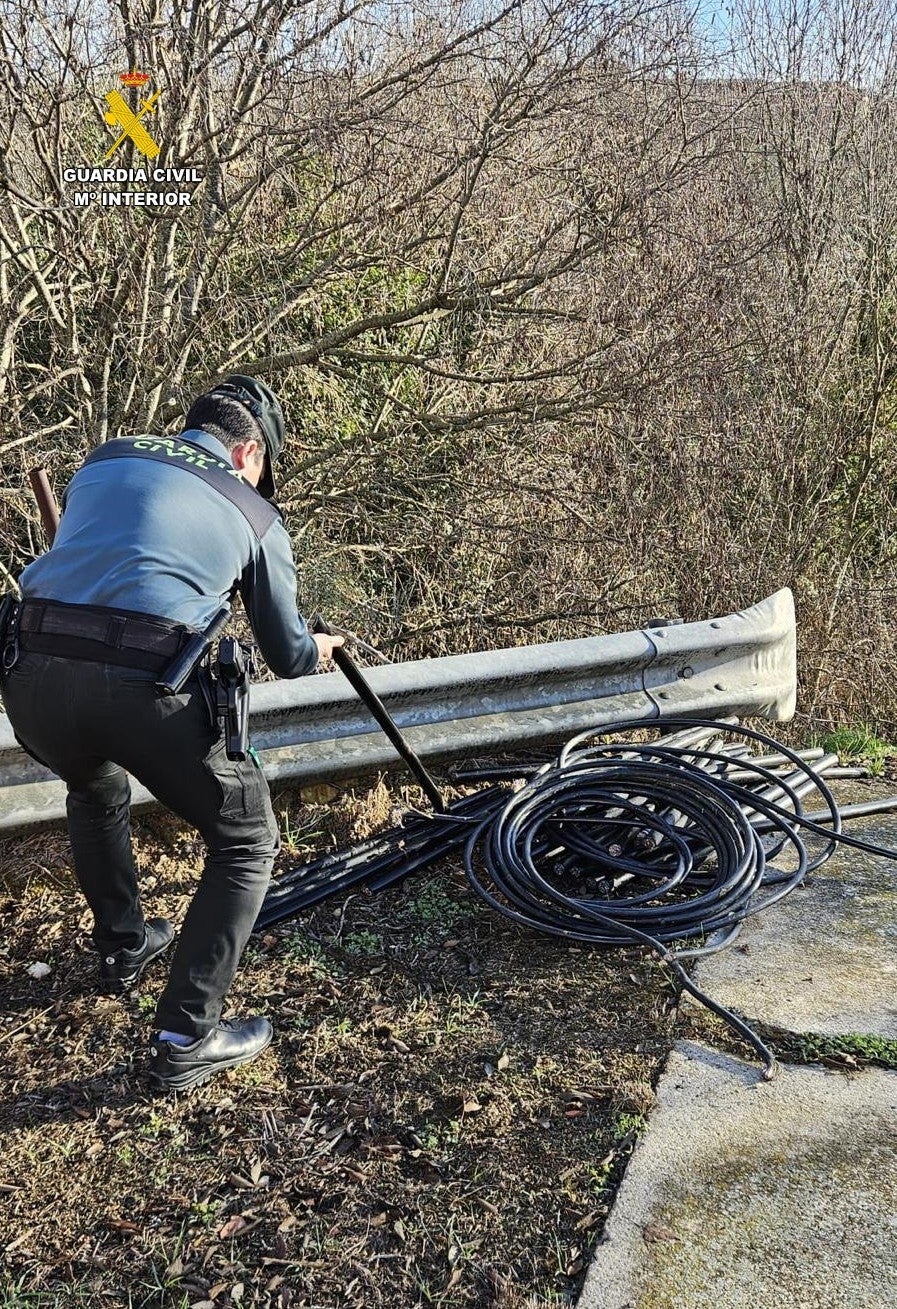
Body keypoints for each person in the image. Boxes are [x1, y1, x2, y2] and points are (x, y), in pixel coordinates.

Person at [0, 376, 343, 1091]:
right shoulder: (253, 509)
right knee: (247, 840)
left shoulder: (105, 458)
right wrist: (322, 648)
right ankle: (187, 1034)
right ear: (248, 452)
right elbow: (286, 654)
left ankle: (125, 945)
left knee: (93, 787)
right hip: (146, 688)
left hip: (31, 676)